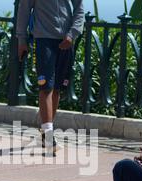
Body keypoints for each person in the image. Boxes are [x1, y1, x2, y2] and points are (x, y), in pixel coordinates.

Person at [16, 0, 84, 155]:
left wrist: (72, 34)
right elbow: (24, 9)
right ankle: (49, 136)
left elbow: (79, 8)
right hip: (43, 39)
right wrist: (21, 39)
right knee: (46, 87)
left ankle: (46, 131)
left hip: (66, 41)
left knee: (57, 89)